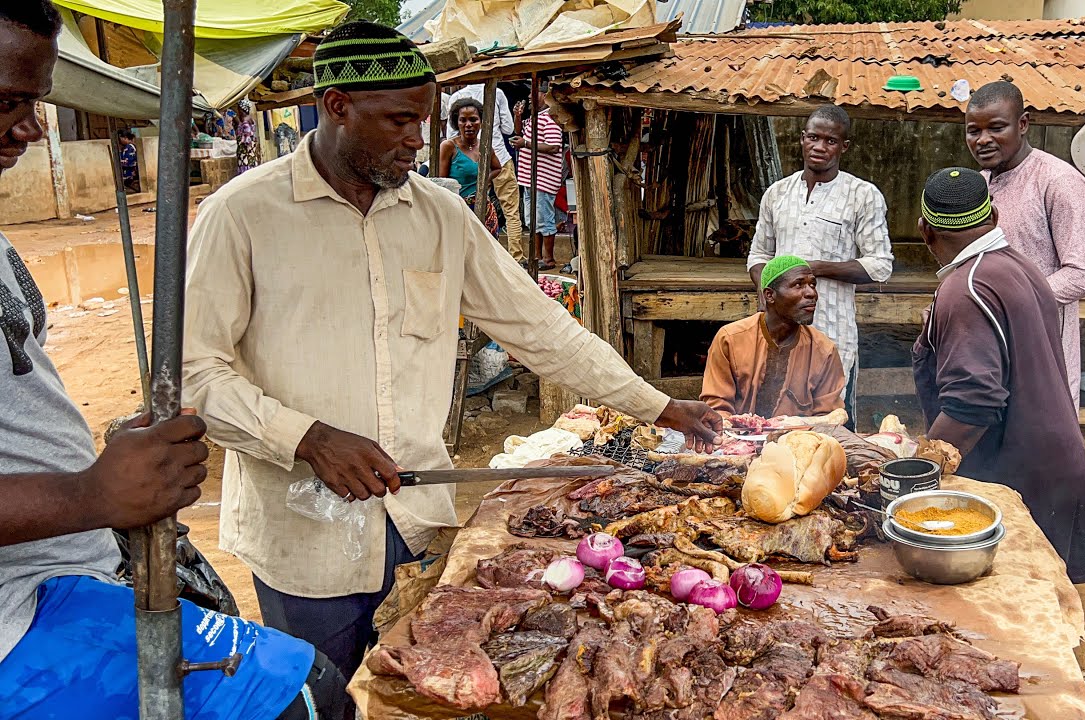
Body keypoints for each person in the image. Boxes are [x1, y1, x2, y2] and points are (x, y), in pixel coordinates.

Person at [182, 20, 722, 690]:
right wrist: (309, 439)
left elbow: (539, 327)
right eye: (400, 120)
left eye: (423, 119)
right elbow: (194, 376)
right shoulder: (241, 216)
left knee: (422, 688)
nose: (418, 139)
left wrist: (658, 405)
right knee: (323, 693)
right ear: (338, 107)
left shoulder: (439, 214)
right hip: (303, 534)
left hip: (417, 518)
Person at [0, 3, 348, 718]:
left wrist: (102, 478)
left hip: (70, 564)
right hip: (16, 620)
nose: (34, 128)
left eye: (36, 102)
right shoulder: (243, 210)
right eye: (9, 100)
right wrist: (88, 496)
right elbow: (203, 367)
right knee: (307, 696)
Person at [912, 167, 1085, 583]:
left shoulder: (967, 287)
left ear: (924, 230)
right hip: (1053, 460)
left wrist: (921, 473)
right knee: (1042, 609)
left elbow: (972, 402)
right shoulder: (1021, 266)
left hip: (1015, 475)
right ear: (993, 216)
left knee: (1013, 611)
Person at [747, 104, 894, 427]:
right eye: (814, 137)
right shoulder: (777, 194)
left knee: (834, 424)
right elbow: (758, 256)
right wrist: (766, 295)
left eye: (830, 140)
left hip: (833, 331)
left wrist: (812, 269)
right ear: (802, 139)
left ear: (844, 146)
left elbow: (879, 265)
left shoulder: (862, 195)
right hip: (778, 331)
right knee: (776, 421)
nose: (819, 146)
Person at [964, 81, 1085, 407]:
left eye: (996, 128)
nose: (983, 140)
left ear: (1023, 124)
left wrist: (1010, 301)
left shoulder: (1058, 182)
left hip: (1041, 342)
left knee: (1040, 432)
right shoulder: (981, 184)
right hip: (990, 342)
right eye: (974, 131)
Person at [702, 255, 845, 418]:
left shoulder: (824, 350)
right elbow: (717, 408)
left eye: (813, 285)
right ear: (769, 295)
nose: (812, 293)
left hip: (797, 441)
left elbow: (828, 418)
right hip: (736, 439)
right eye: (798, 285)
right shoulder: (730, 339)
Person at [447, 83, 524, 262]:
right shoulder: (497, 93)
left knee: (469, 212)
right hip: (500, 157)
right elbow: (507, 128)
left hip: (470, 161)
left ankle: (476, 257)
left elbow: (451, 134)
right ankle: (517, 258)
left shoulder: (456, 96)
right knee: (511, 211)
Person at [430, 96, 500, 235]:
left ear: (481, 122)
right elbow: (441, 182)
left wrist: (485, 181)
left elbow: (497, 168)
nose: (468, 124)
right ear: (457, 123)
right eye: (463, 120)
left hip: (483, 210)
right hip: (458, 210)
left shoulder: (485, 147)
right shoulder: (449, 146)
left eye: (473, 119)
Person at [511, 89, 563, 271]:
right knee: (532, 219)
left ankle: (548, 259)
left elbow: (554, 146)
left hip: (543, 178)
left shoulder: (550, 118)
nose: (528, 98)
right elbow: (519, 132)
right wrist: (517, 116)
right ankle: (537, 256)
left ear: (544, 95)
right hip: (530, 178)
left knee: (543, 219)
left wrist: (525, 144)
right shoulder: (534, 118)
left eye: (533, 94)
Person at [236, 98, 261, 175]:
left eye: (239, 109)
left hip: (245, 152)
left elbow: (247, 138)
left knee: (246, 171)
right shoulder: (251, 119)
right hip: (251, 152)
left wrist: (240, 141)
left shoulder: (245, 122)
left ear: (242, 109)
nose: (238, 111)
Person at [118, 128, 140, 193]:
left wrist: (118, 163)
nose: (119, 141)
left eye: (120, 139)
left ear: (125, 138)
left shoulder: (130, 147)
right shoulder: (126, 147)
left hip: (130, 173)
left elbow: (129, 162)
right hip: (127, 173)